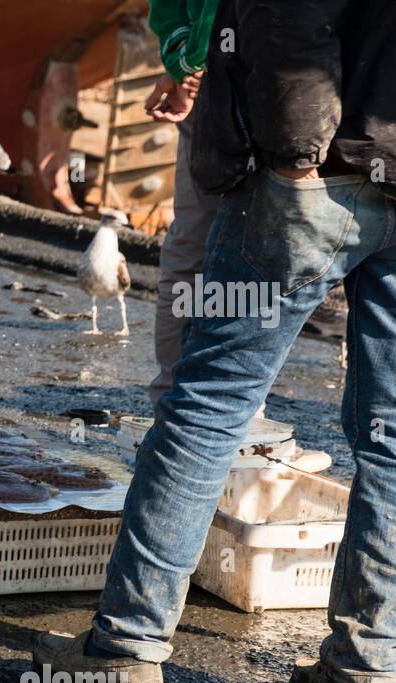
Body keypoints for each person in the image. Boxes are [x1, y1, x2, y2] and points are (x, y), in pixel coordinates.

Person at [34, 0, 396, 683]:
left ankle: (124, 646)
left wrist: (293, 162)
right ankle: (369, 669)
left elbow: (289, 18)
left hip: (318, 179)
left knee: (206, 407)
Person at [143, 0, 221, 407]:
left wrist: (182, 65)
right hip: (260, 92)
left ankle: (174, 403)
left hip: (218, 84)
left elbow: (172, 11)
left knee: (193, 245)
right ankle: (229, 411)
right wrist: (191, 66)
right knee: (252, 254)